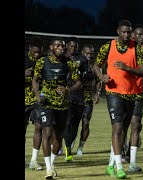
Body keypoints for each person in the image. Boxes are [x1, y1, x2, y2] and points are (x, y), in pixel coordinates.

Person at [93, 19, 143, 179]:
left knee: (124, 129)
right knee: (117, 128)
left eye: (128, 32)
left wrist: (128, 68)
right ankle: (119, 167)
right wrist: (101, 76)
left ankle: (110, 165)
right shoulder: (107, 46)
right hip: (113, 93)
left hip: (132, 94)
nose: (125, 35)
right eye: (123, 32)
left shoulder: (137, 48)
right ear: (118, 31)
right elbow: (96, 65)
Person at [32, 36, 81, 179]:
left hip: (62, 105)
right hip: (46, 103)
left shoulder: (69, 63)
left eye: (62, 46)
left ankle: (52, 164)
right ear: (51, 47)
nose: (61, 48)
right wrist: (36, 94)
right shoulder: (42, 62)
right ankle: (48, 169)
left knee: (58, 138)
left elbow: (79, 83)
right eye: (58, 46)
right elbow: (35, 80)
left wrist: (68, 90)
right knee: (46, 133)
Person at [121, 24, 143, 164]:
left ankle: (129, 156)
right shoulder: (125, 49)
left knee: (135, 123)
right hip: (123, 91)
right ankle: (120, 150)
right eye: (139, 34)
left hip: (137, 92)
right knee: (122, 124)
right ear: (132, 35)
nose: (142, 37)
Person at [73, 44, 102, 156]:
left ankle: (80, 148)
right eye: (87, 53)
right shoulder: (76, 63)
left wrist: (97, 93)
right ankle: (68, 144)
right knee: (72, 123)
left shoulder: (95, 67)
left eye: (91, 54)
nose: (89, 56)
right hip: (75, 98)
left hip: (87, 98)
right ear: (82, 52)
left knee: (85, 122)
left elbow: (99, 80)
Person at [25, 36, 44, 170]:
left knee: (39, 127)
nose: (36, 55)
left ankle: (33, 160)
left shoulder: (43, 61)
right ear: (30, 49)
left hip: (38, 100)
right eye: (34, 52)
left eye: (39, 52)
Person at [63, 37, 81, 161]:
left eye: (75, 46)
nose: (73, 48)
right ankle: (67, 150)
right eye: (71, 46)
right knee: (67, 123)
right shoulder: (62, 59)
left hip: (79, 97)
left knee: (75, 125)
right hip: (65, 96)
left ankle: (69, 144)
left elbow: (89, 75)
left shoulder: (82, 60)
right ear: (67, 46)